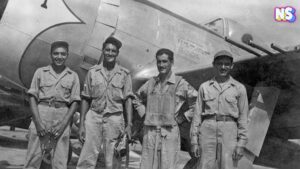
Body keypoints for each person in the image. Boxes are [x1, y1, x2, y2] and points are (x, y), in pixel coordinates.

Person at [134, 48, 197, 169]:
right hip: (150, 133)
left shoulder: (180, 83)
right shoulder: (151, 82)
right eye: (159, 62)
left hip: (169, 133)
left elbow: (198, 103)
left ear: (171, 62)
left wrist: (183, 117)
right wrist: (144, 114)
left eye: (164, 61)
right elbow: (136, 98)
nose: (161, 65)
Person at [76, 36, 133, 169]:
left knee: (112, 159)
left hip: (115, 118)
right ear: (102, 51)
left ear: (117, 53)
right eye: (107, 50)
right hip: (94, 116)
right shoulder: (92, 72)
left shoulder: (124, 74)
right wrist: (82, 124)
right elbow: (85, 97)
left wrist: (129, 124)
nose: (110, 53)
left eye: (113, 51)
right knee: (87, 156)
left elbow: (128, 100)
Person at [24, 41, 81, 169]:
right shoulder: (40, 72)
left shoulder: (73, 76)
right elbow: (32, 97)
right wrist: (38, 123)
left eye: (62, 54)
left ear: (67, 55)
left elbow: (75, 102)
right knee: (32, 159)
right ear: (50, 55)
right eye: (56, 53)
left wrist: (63, 125)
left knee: (60, 162)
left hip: (62, 115)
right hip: (41, 112)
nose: (59, 57)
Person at [190, 50, 249, 169]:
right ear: (213, 65)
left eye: (227, 64)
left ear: (231, 66)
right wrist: (194, 141)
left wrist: (241, 143)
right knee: (204, 165)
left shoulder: (239, 88)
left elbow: (243, 118)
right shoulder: (204, 87)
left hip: (229, 131)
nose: (223, 67)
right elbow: (196, 116)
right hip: (207, 130)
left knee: (228, 166)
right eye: (219, 63)